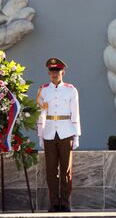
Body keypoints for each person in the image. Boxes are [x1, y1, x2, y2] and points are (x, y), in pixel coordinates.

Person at [36, 58, 81, 212]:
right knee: (50, 170)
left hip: (66, 131)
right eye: (52, 71)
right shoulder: (43, 90)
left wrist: (77, 135)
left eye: (57, 71)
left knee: (66, 171)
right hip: (49, 132)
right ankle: (54, 203)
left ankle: (65, 203)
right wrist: (40, 135)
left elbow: (75, 113)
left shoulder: (71, 90)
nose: (54, 74)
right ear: (49, 73)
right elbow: (40, 114)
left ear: (63, 72)